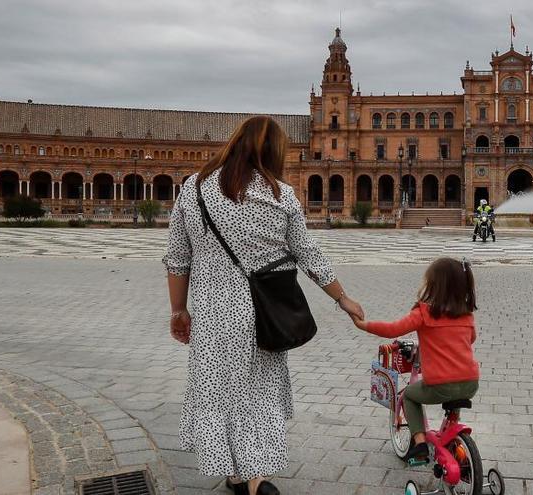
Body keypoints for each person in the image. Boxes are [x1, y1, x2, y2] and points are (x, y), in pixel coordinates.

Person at [163, 116, 364, 495]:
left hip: (212, 315)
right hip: (265, 313)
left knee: (220, 390)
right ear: (275, 153)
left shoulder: (193, 190)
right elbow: (308, 253)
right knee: (260, 393)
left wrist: (178, 310)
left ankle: (237, 474)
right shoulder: (280, 195)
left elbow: (177, 258)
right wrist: (342, 298)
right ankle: (257, 479)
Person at [350, 257, 480, 462]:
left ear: (435, 286)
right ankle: (453, 437)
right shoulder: (466, 315)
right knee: (455, 394)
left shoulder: (424, 313)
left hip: (439, 385)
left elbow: (393, 329)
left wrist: (364, 325)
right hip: (471, 383)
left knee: (409, 395)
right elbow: (470, 339)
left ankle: (419, 443)